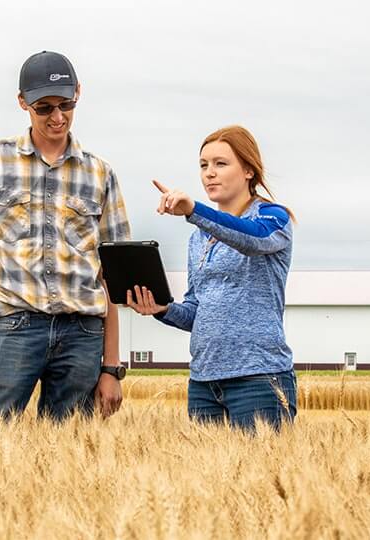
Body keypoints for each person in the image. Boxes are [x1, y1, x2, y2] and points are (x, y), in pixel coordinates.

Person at [0, 51, 131, 420]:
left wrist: (111, 367)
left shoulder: (101, 174)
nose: (57, 117)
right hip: (14, 326)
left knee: (70, 457)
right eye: (44, 108)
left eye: (66, 104)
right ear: (22, 102)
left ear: (78, 93)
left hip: (83, 333)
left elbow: (111, 276)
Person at [126, 125, 297, 431]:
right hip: (204, 382)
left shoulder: (273, 217)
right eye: (203, 165)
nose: (209, 173)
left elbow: (253, 239)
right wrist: (162, 309)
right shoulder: (198, 237)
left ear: (248, 170)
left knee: (260, 477)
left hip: (258, 378)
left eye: (221, 164)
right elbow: (196, 310)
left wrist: (194, 210)